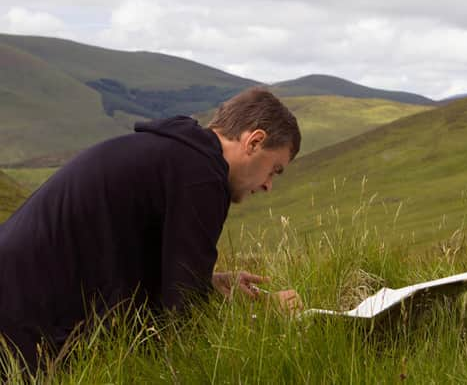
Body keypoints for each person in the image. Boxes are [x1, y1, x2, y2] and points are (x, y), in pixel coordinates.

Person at [0, 87, 302, 373]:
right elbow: (182, 313)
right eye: (274, 169)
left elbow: (149, 266)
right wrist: (266, 312)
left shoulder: (176, 154)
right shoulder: (200, 175)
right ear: (254, 141)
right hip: (23, 310)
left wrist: (207, 283)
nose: (268, 185)